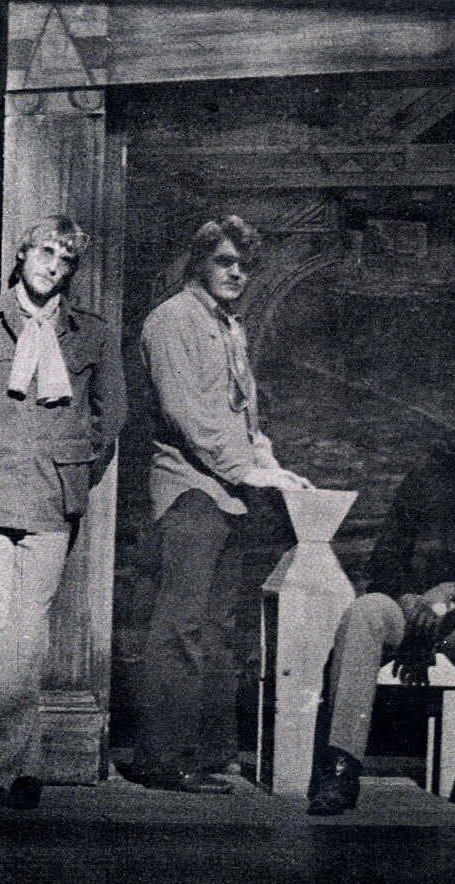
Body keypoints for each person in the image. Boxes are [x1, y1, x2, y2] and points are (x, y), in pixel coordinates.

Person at [0, 214, 126, 809]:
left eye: (66, 260)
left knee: (27, 629)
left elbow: (111, 415)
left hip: (50, 496)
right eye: (46, 253)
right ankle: (22, 766)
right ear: (22, 254)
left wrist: (76, 470)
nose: (53, 267)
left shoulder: (91, 334)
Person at [131, 215, 313, 794]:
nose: (236, 273)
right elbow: (186, 414)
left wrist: (271, 465)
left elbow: (242, 418)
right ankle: (163, 760)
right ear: (199, 263)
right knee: (181, 626)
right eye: (224, 262)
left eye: (244, 265)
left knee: (216, 627)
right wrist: (247, 471)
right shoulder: (171, 320)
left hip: (228, 497)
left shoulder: (228, 326)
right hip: (190, 492)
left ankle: (208, 751)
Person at [308, 393, 455, 816]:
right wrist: (410, 599)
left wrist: (450, 592)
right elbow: (385, 559)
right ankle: (340, 770)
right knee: (366, 611)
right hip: (405, 609)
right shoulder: (427, 480)